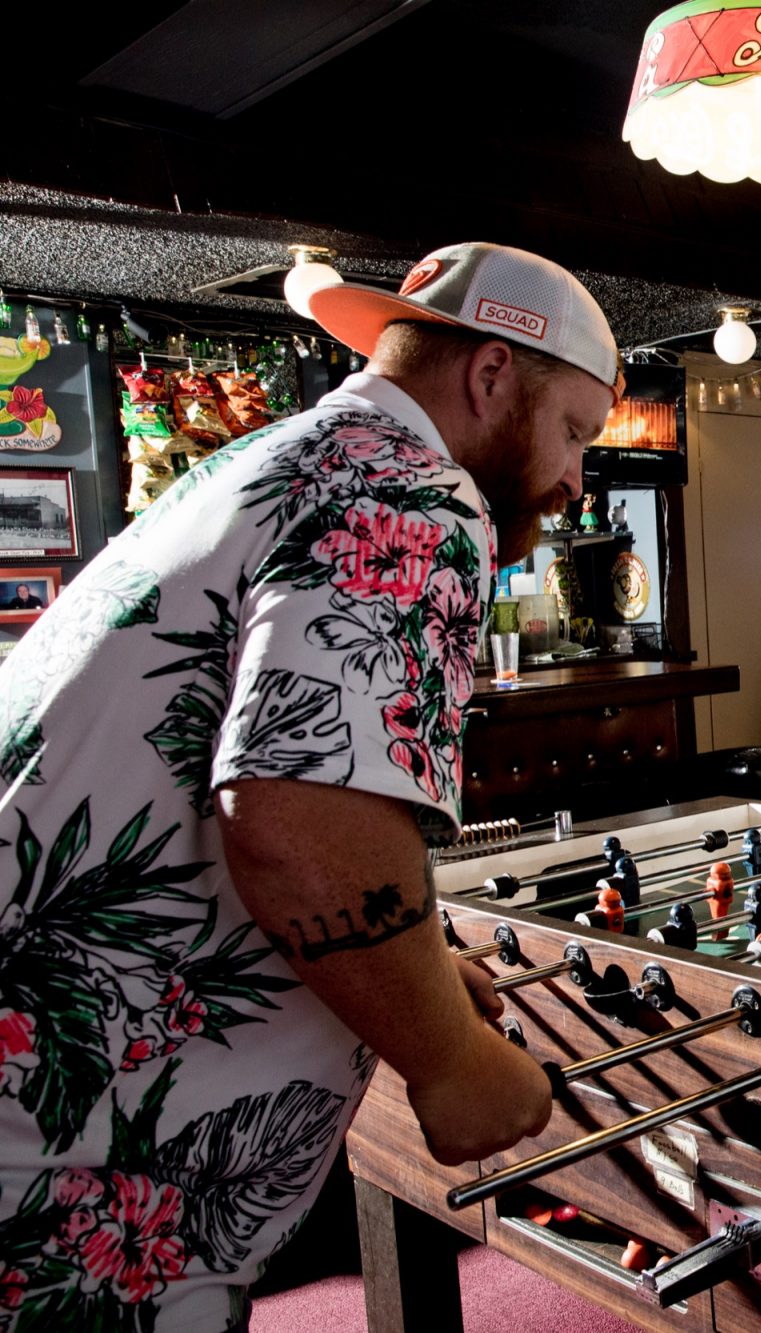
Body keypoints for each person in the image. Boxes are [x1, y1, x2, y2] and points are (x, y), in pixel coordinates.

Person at [0, 242, 620, 1331]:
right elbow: (299, 815)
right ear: (489, 377)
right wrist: (448, 1055)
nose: (575, 480)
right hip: (69, 1182)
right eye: (574, 430)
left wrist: (413, 966)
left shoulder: (272, 460)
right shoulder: (414, 495)